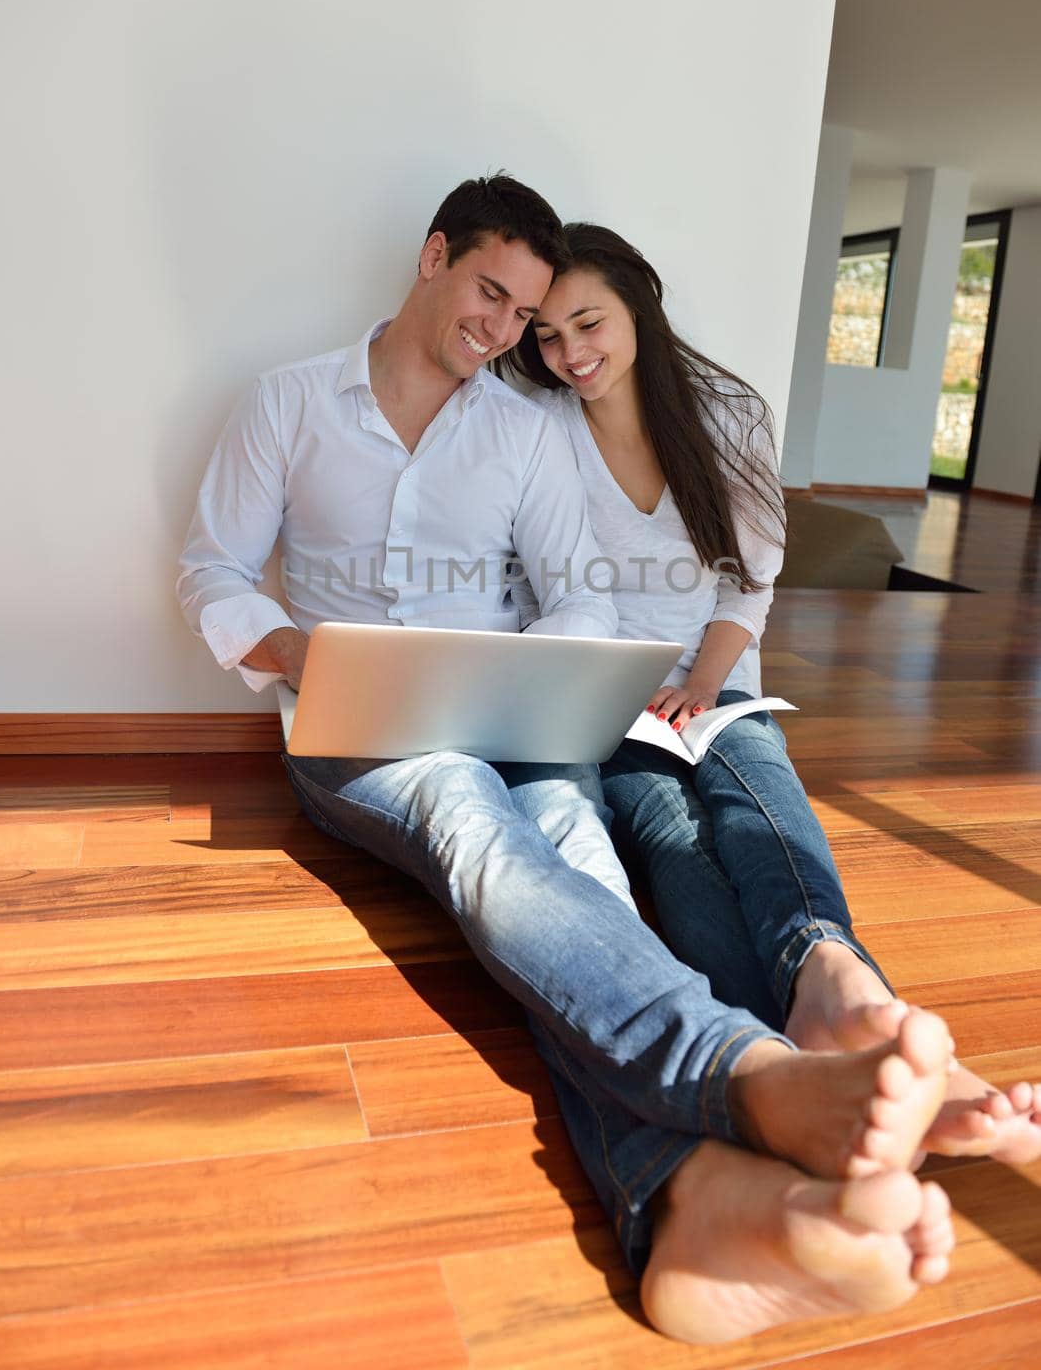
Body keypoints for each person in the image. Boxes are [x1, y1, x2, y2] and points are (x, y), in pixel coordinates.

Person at [178, 177, 958, 1345]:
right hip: (360, 732)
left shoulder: (522, 428)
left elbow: (576, 601)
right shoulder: (287, 403)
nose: (502, 333)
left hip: (509, 713)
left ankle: (694, 1204)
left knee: (584, 866)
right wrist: (296, 648)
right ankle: (746, 1070)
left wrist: (534, 675)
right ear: (436, 255)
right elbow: (211, 571)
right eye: (491, 294)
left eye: (526, 314)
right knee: (473, 829)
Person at [501, 219, 1041, 1190]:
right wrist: (620, 689)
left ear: (639, 305)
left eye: (588, 323)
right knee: (670, 834)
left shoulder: (725, 413)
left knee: (752, 778)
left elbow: (747, 585)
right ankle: (836, 1054)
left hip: (715, 671)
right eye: (546, 335)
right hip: (608, 692)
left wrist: (703, 681)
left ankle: (835, 980)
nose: (570, 353)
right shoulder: (537, 432)